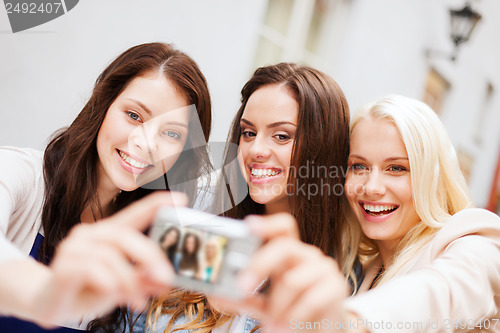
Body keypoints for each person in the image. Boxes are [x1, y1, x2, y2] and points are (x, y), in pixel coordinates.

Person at [238, 95, 500, 332]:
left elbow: (441, 292)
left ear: (432, 177)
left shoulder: (473, 238)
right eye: (359, 166)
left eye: (396, 168)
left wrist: (348, 323)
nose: (372, 188)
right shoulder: (360, 273)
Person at [0, 42, 213, 332]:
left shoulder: (161, 233)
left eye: (171, 133)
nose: (146, 143)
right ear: (103, 105)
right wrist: (46, 292)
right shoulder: (21, 174)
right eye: (134, 116)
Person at [143, 63, 357, 332]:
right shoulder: (202, 217)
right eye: (249, 133)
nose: (256, 149)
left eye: (281, 136)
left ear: (322, 147)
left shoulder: (340, 280)